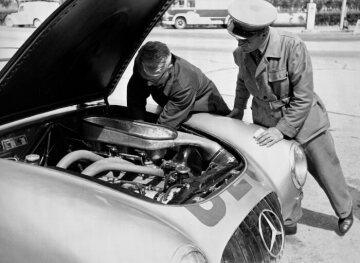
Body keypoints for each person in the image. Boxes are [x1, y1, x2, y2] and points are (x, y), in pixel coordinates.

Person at [226, 0, 353, 235]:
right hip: (266, 120)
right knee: (284, 174)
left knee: (326, 170)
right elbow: (242, 81)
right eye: (238, 39)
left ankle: (345, 211)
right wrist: (238, 108)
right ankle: (290, 219)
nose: (240, 45)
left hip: (305, 121)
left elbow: (303, 96)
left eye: (245, 40)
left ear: (263, 33)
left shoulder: (291, 46)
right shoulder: (241, 52)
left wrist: (281, 129)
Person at [127, 41, 230, 129]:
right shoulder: (143, 67)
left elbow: (164, 126)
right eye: (145, 78)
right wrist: (139, 125)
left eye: (154, 79)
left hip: (206, 111)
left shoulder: (184, 84)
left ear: (169, 68)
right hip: (172, 104)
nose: (148, 83)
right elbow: (135, 97)